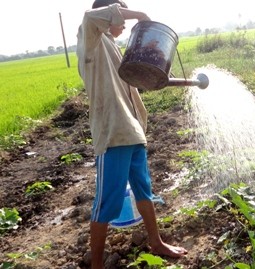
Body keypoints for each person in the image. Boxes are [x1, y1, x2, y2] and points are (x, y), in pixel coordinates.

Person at [76, 0, 187, 268]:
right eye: (120, 15)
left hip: (133, 130)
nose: (124, 23)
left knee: (144, 190)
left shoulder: (114, 47)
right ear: (109, 14)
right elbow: (91, 17)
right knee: (107, 201)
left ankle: (156, 242)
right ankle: (97, 265)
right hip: (113, 132)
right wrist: (143, 15)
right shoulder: (91, 38)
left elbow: (135, 80)